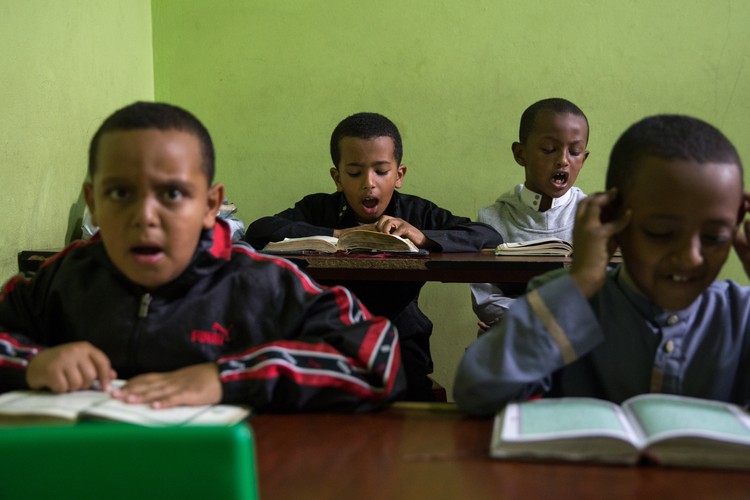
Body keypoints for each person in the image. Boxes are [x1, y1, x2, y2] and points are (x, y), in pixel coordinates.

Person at [0, 101, 405, 412]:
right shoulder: (63, 279)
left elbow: (378, 358)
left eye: (173, 194)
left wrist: (226, 377)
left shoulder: (263, 283)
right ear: (94, 202)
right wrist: (31, 364)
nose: (145, 217)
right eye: (120, 193)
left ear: (211, 204)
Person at [454, 114, 750, 416]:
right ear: (612, 217)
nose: (691, 257)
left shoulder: (742, 314)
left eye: (715, 237)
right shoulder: (569, 301)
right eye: (661, 233)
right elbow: (476, 392)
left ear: (737, 221)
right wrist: (580, 281)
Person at [245, 112, 502, 401]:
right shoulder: (317, 208)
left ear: (399, 175)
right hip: (327, 334)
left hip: (399, 334)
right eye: (354, 173)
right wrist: (336, 234)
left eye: (381, 171)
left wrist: (423, 236)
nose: (369, 183)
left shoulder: (417, 213)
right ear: (337, 177)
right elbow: (260, 229)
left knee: (406, 393)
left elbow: (487, 234)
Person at [471, 98, 590, 330]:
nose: (563, 160)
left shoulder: (595, 218)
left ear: (584, 158)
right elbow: (485, 299)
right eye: (549, 149)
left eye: (575, 151)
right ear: (520, 153)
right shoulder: (492, 218)